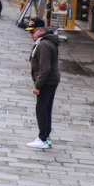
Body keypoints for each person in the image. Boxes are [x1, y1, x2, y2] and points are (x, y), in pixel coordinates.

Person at [26, 18, 60, 149]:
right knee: (46, 109)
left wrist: (37, 85)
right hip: (51, 81)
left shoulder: (44, 45)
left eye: (33, 32)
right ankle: (46, 136)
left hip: (46, 82)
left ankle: (43, 138)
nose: (31, 35)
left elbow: (44, 68)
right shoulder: (46, 42)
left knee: (41, 109)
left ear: (40, 30)